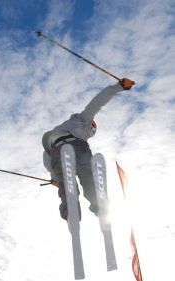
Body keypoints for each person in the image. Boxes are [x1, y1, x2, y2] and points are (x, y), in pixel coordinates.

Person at [42, 78, 135, 221]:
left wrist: (56, 179)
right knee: (89, 179)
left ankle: (70, 210)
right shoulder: (83, 120)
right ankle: (99, 205)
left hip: (56, 152)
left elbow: (47, 157)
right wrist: (118, 87)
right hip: (77, 148)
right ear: (91, 127)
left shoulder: (58, 130)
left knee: (68, 185)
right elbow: (97, 103)